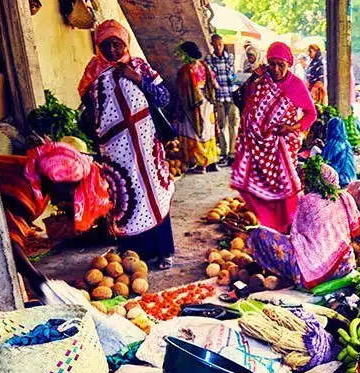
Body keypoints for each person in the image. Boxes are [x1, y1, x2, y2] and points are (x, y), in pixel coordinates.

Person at [78, 20, 176, 268]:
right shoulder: (92, 74)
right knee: (126, 197)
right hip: (115, 151)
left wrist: (138, 79)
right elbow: (89, 116)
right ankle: (134, 256)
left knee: (154, 193)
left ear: (125, 43)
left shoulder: (138, 66)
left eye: (117, 44)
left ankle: (163, 252)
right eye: (106, 45)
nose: (112, 50)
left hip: (145, 145)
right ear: (98, 46)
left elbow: (163, 98)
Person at [231, 42, 318, 233]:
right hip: (261, 144)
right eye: (272, 64)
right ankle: (268, 225)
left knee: (285, 183)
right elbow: (244, 102)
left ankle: (289, 224)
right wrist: (255, 77)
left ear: (289, 64)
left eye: (281, 65)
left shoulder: (295, 84)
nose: (276, 69)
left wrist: (292, 127)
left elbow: (311, 113)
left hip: (284, 143)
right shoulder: (262, 81)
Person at [0, 140, 112, 280]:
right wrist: (34, 277)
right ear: (55, 179)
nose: (68, 199)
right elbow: (7, 242)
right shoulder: (22, 189)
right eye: (70, 191)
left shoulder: (34, 173)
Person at [247, 161, 360, 289]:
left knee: (259, 234)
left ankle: (291, 276)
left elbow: (294, 233)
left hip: (316, 270)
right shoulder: (345, 197)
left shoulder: (309, 201)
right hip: (344, 264)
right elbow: (355, 230)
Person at [176, 41, 219, 173]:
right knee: (208, 131)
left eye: (181, 54)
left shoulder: (185, 69)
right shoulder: (204, 66)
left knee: (195, 132)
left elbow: (182, 90)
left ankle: (200, 164)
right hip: (207, 102)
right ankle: (212, 162)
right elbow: (215, 84)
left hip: (193, 104)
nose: (179, 57)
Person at [206, 33, 239, 166]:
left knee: (234, 124)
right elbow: (211, 77)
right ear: (212, 45)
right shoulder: (209, 59)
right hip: (219, 96)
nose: (218, 47)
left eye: (220, 44)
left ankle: (233, 153)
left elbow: (233, 76)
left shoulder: (230, 58)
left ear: (223, 44)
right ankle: (224, 153)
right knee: (222, 125)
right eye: (216, 44)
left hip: (231, 94)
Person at [320, 117, 356, 186]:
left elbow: (324, 164)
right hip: (351, 178)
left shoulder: (332, 144)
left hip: (340, 180)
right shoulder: (346, 143)